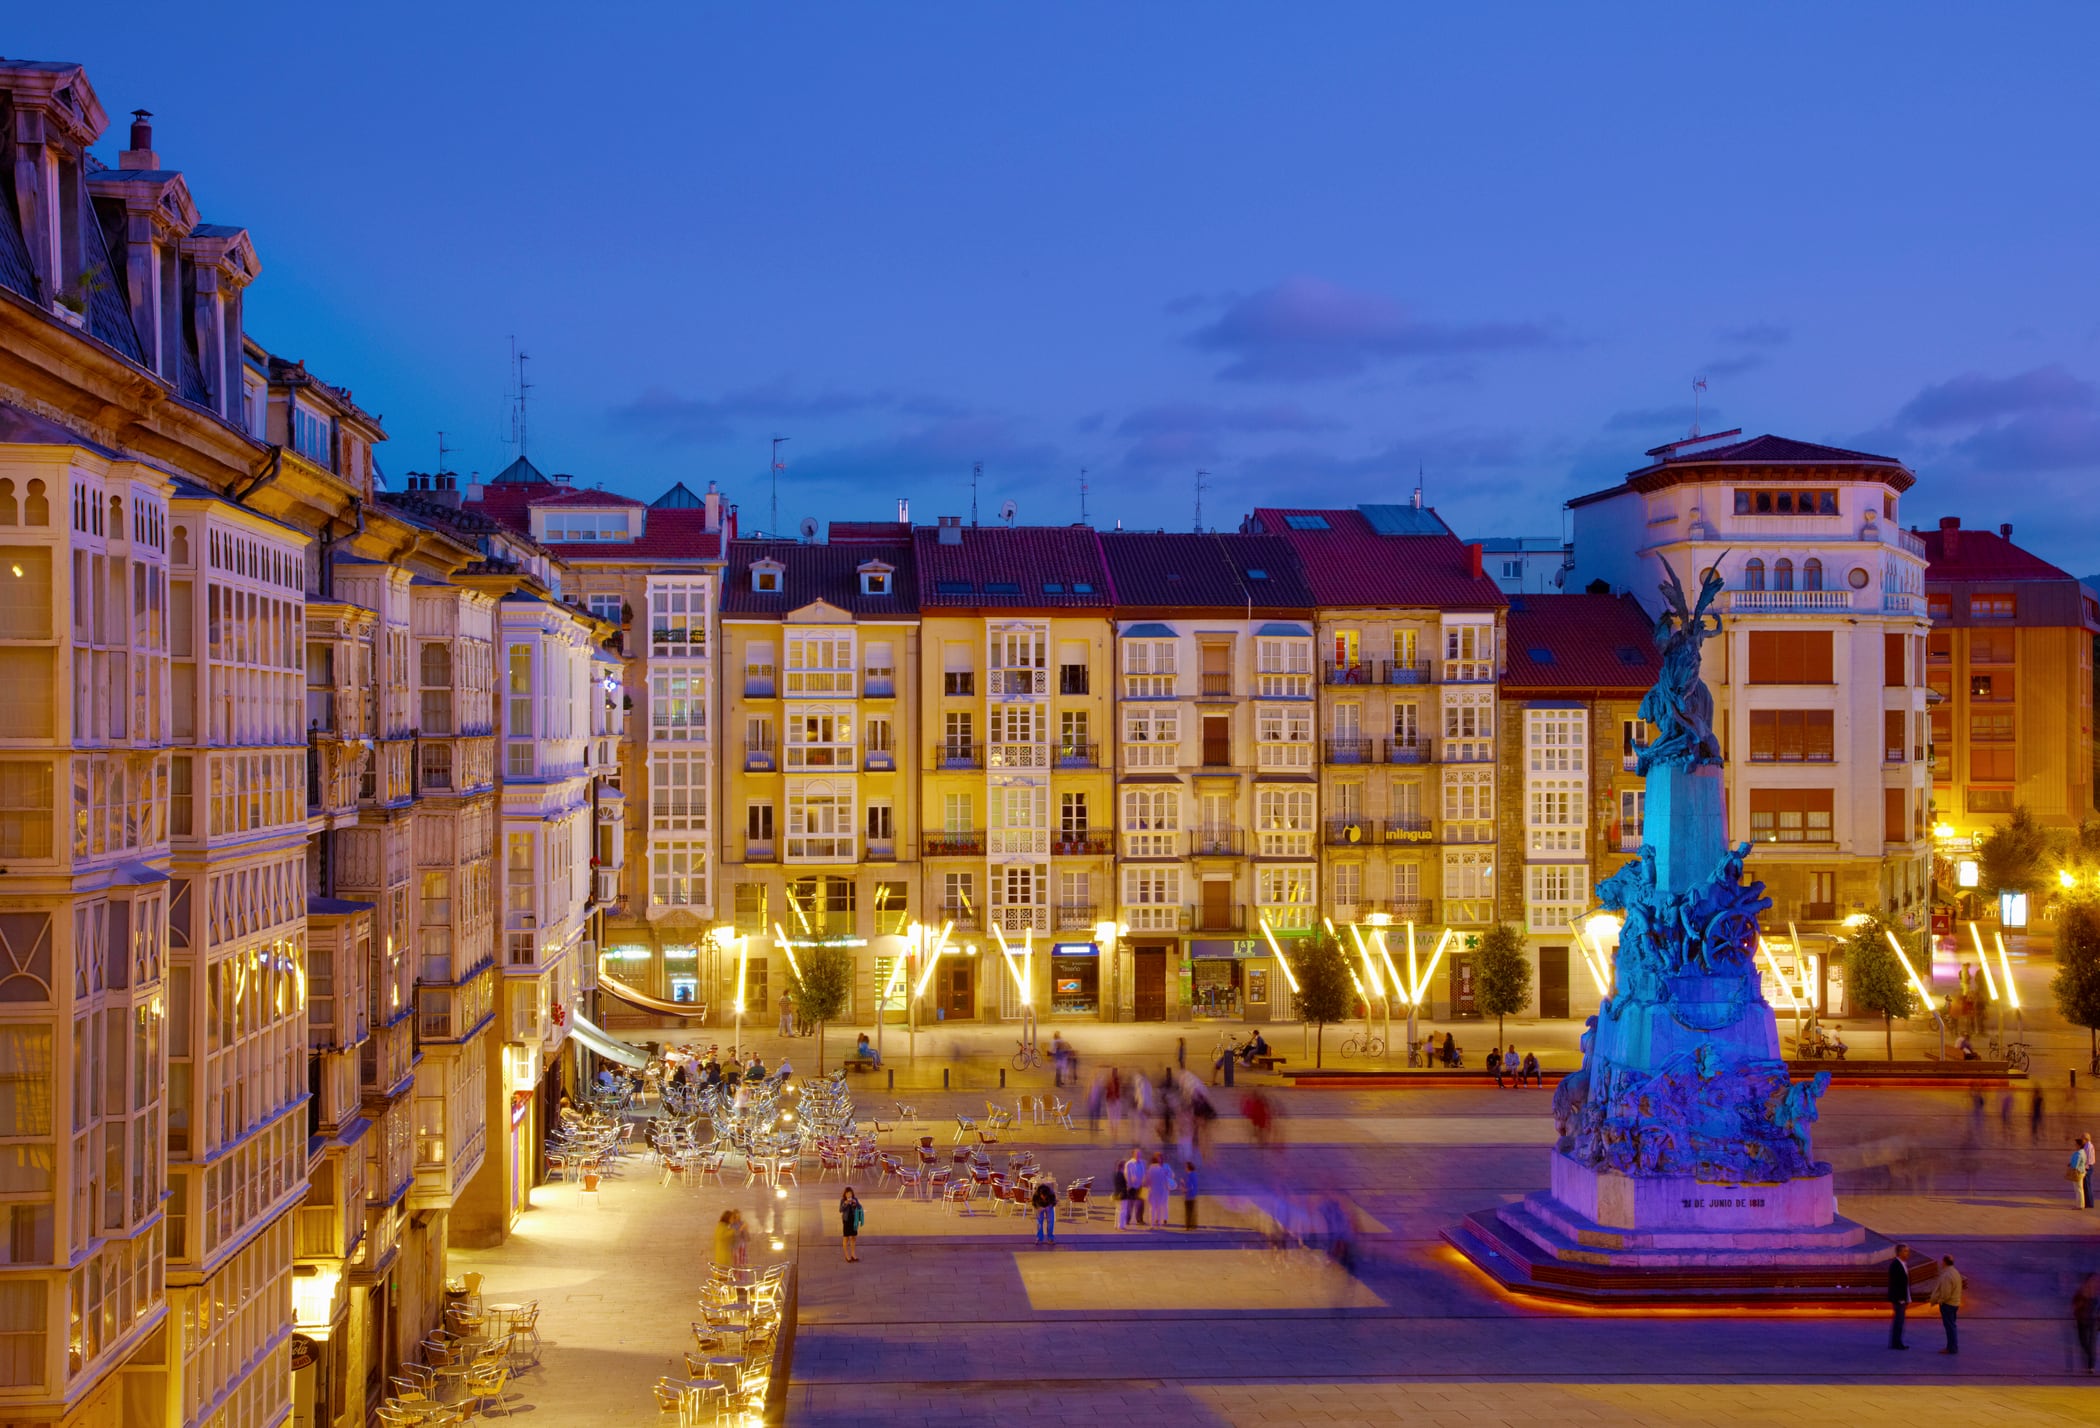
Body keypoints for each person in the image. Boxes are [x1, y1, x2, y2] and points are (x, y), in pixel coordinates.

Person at [1929, 1254, 1963, 1353]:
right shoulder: (1955, 1272)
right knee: (1952, 1325)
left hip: (1948, 1305)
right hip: (1955, 1303)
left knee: (1949, 1326)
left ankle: (1951, 1348)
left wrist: (1939, 1301)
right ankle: (1953, 1346)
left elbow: (1945, 1294)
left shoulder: (1947, 1275)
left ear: (1944, 1262)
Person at [1885, 1242, 1912, 1349]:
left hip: (1903, 1298)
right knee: (1899, 1321)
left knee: (1900, 1321)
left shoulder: (1903, 1264)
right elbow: (1895, 1284)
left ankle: (1897, 1342)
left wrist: (1908, 1298)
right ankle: (1896, 1343)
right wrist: (1900, 1298)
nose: (1908, 1253)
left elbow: (1906, 1284)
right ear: (1900, 1252)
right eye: (1905, 1251)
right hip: (1899, 1299)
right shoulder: (1896, 1265)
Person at [2074, 1271, 2099, 1375]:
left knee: (2092, 1343)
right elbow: (2075, 1305)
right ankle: (2092, 1357)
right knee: (2083, 1342)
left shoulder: (2097, 1293)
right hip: (2082, 1320)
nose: (2094, 1282)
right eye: (2092, 1279)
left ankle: (2091, 1367)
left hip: (2094, 1321)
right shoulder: (2081, 1292)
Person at [1143, 1152, 1173, 1229]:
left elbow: (1170, 1176)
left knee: (1160, 1206)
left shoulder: (1166, 1167)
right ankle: (1153, 1224)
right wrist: (1146, 1184)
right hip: (1154, 1191)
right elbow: (1148, 1178)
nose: (1160, 1159)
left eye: (1161, 1158)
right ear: (1156, 1159)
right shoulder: (1152, 1167)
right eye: (1158, 1158)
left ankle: (1160, 1222)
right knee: (1153, 1208)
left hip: (1162, 1190)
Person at [1119, 1147, 1145, 1230]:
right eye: (1137, 1154)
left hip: (1141, 1186)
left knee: (1141, 1204)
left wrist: (1144, 1183)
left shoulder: (1142, 1163)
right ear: (1133, 1154)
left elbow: (1144, 1173)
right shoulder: (1129, 1164)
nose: (1138, 1155)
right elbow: (1127, 1175)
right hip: (1132, 1186)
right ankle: (1127, 1219)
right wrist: (1129, 1185)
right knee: (1130, 1204)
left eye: (1139, 1154)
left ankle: (1139, 1219)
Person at [839, 1187, 865, 1262]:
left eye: (850, 1193)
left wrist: (855, 1203)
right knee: (846, 1238)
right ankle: (847, 1255)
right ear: (845, 1194)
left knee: (853, 1237)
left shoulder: (855, 1199)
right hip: (846, 1221)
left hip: (854, 1220)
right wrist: (845, 1204)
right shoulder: (843, 1200)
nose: (849, 1195)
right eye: (847, 1194)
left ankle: (853, 1254)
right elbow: (840, 1210)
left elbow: (860, 1207)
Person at [1031, 1178, 1059, 1246]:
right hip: (1039, 1207)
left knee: (1050, 1222)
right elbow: (1033, 1203)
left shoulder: (1051, 1193)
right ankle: (1039, 1238)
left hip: (1049, 1206)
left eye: (1045, 1197)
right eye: (1042, 1196)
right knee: (1039, 1222)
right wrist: (1038, 1207)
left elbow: (1054, 1202)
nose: (1044, 1198)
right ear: (1040, 1194)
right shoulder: (1036, 1194)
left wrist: (1049, 1206)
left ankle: (1050, 1238)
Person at [2072, 1138, 2093, 1207]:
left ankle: (2080, 1205)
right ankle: (2080, 1204)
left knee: (2078, 1189)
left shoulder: (2080, 1153)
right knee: (2079, 1188)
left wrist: (2073, 1167)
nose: (2075, 1145)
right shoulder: (2082, 1152)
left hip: (2078, 1171)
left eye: (2076, 1144)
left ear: (2079, 1145)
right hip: (2080, 1171)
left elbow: (2077, 1163)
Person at [1183, 1160, 1200, 1231]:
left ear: (1188, 1168)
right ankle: (1194, 1225)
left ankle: (1188, 1226)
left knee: (1188, 1212)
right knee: (1192, 1211)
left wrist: (1184, 1188)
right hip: (1194, 1195)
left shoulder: (1189, 1175)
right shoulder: (1195, 1174)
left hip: (1189, 1196)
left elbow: (1189, 1186)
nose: (1185, 1168)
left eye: (1185, 1167)